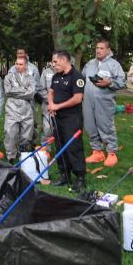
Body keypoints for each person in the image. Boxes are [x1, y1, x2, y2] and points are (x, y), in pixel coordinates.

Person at [81, 40, 126, 167]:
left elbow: (122, 83)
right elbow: (82, 78)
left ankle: (111, 153)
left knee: (106, 126)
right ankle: (97, 152)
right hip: (88, 101)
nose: (98, 50)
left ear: (108, 50)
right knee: (90, 126)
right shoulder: (90, 63)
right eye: (97, 48)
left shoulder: (114, 65)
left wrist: (109, 83)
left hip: (104, 102)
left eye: (101, 48)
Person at [48, 50, 87, 192]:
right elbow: (51, 91)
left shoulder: (77, 76)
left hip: (72, 118)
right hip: (57, 117)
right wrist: (51, 104)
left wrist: (58, 106)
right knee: (59, 145)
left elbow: (77, 98)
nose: (53, 65)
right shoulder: (56, 76)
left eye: (55, 62)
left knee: (73, 146)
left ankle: (80, 177)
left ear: (64, 60)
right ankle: (64, 174)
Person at [3, 57, 35, 164]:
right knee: (10, 134)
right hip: (12, 109)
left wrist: (15, 92)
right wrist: (23, 90)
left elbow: (31, 93)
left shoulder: (30, 78)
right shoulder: (8, 77)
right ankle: (11, 157)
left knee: (26, 135)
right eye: (16, 64)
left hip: (26, 110)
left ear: (26, 65)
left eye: (21, 64)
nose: (18, 66)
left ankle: (24, 155)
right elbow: (8, 91)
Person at [9, 48, 40, 143]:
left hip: (30, 102)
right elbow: (10, 87)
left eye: (21, 53)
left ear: (26, 54)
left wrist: (25, 94)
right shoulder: (12, 69)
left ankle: (32, 143)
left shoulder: (33, 68)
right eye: (18, 53)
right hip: (15, 103)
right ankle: (19, 146)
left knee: (31, 124)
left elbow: (36, 86)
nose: (19, 55)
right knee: (17, 124)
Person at [38, 61, 54, 144]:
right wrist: (50, 100)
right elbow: (41, 89)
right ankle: (45, 148)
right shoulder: (46, 72)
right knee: (47, 127)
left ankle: (62, 149)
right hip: (47, 105)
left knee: (62, 129)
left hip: (62, 105)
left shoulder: (66, 71)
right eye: (53, 60)